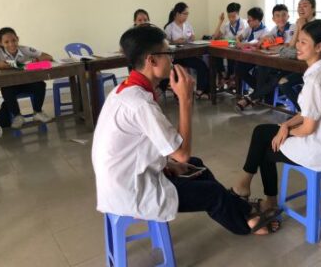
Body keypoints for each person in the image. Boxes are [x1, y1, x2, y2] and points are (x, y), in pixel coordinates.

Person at [92, 25, 282, 236]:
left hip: (127, 177)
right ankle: (246, 224)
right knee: (211, 193)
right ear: (151, 60)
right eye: (168, 54)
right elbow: (182, 154)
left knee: (197, 166)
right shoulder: (140, 103)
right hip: (132, 191)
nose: (173, 59)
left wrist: (166, 164)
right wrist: (185, 100)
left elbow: (149, 147)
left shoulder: (125, 90)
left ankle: (242, 209)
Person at [230, 20, 321, 212]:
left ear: (319, 47)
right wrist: (285, 126)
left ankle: (261, 196)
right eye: (298, 41)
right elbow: (309, 112)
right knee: (262, 132)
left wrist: (287, 131)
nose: (297, 47)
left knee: (266, 149)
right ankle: (244, 185)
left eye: (303, 42)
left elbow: (309, 127)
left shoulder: (316, 80)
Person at [0, 27, 53, 129]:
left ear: (17, 39)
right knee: (6, 88)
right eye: (6, 42)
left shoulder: (24, 49)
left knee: (40, 84)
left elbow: (48, 57)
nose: (11, 44)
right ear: (0, 43)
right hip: (10, 85)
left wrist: (36, 60)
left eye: (14, 40)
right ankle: (17, 116)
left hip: (26, 82)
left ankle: (38, 112)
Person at [235, 4, 294, 111]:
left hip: (289, 65)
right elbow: (261, 45)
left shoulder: (292, 28)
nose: (281, 18)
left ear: (288, 16)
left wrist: (272, 46)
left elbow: (287, 48)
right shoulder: (275, 30)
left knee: (273, 77)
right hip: (275, 62)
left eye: (284, 15)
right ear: (273, 19)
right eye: (277, 16)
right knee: (261, 67)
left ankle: (251, 98)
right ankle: (260, 95)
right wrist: (267, 39)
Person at [278, 0, 317, 112]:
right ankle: (302, 111)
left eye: (305, 5)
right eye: (299, 6)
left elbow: (305, 49)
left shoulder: (317, 25)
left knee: (283, 81)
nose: (301, 8)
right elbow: (291, 46)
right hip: (299, 67)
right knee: (281, 81)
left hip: (312, 69)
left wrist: (301, 27)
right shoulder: (298, 24)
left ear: (313, 9)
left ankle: (304, 113)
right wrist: (299, 27)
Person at [164, 2, 210, 99]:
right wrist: (174, 42)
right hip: (175, 57)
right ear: (177, 14)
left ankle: (200, 91)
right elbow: (166, 44)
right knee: (176, 70)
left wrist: (192, 37)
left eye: (187, 14)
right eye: (185, 14)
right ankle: (178, 95)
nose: (186, 16)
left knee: (202, 65)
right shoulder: (169, 27)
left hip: (188, 55)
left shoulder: (188, 25)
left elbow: (192, 37)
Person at [233, 7, 269, 98]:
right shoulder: (249, 28)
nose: (248, 22)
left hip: (258, 59)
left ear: (257, 20)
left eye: (250, 20)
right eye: (248, 20)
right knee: (237, 68)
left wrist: (243, 44)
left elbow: (257, 44)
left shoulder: (265, 31)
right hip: (247, 56)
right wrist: (238, 41)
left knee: (240, 69)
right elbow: (239, 37)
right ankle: (258, 90)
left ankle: (259, 90)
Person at [212, 2, 248, 89]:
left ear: (238, 14)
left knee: (231, 55)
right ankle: (223, 73)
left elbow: (240, 40)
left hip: (239, 50)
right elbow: (215, 37)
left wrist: (229, 42)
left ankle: (230, 78)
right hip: (227, 48)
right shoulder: (226, 25)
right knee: (214, 50)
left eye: (233, 16)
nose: (231, 19)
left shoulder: (244, 23)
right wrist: (220, 21)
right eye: (229, 17)